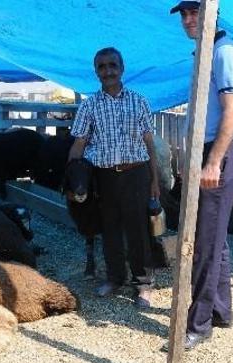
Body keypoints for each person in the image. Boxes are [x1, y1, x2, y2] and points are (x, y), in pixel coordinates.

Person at [169, 0, 233, 350]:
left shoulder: (225, 53)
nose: (188, 18)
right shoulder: (206, 53)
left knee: (203, 241)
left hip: (220, 150)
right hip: (209, 149)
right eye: (184, 13)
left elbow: (232, 110)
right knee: (215, 237)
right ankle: (220, 310)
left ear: (211, 13)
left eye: (194, 11)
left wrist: (213, 161)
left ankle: (197, 324)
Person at [68, 47, 160, 309]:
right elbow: (79, 144)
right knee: (109, 229)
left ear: (122, 68)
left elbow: (149, 144)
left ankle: (143, 283)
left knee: (138, 230)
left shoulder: (139, 101)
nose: (107, 71)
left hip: (136, 174)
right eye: (102, 67)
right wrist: (71, 179)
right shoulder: (89, 105)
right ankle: (115, 278)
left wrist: (154, 180)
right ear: (96, 71)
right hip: (104, 177)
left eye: (112, 65)